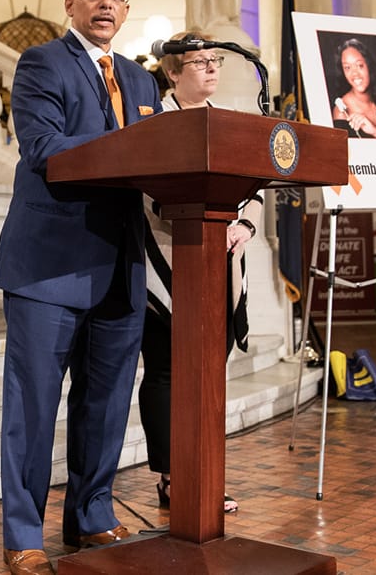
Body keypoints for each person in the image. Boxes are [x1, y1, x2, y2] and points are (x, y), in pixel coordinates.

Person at [0, 0, 162, 575]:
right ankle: (22, 534)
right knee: (34, 408)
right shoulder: (42, 63)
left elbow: (158, 158)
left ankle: (90, 515)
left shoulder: (143, 81)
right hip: (49, 265)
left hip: (121, 266)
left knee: (108, 402)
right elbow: (42, 147)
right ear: (71, 4)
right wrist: (131, 150)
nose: (106, 3)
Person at [139, 30, 262, 515]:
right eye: (199, 62)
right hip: (168, 258)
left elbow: (252, 184)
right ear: (172, 72)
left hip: (223, 257)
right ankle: (174, 477)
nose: (210, 68)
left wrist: (246, 226)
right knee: (168, 372)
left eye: (215, 61)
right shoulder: (153, 121)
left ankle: (206, 473)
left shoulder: (227, 124)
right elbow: (146, 186)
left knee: (211, 374)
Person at [329, 36, 376, 139]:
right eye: (347, 68)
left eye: (360, 65)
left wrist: (375, 132)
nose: (354, 73)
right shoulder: (341, 112)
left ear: (369, 65)